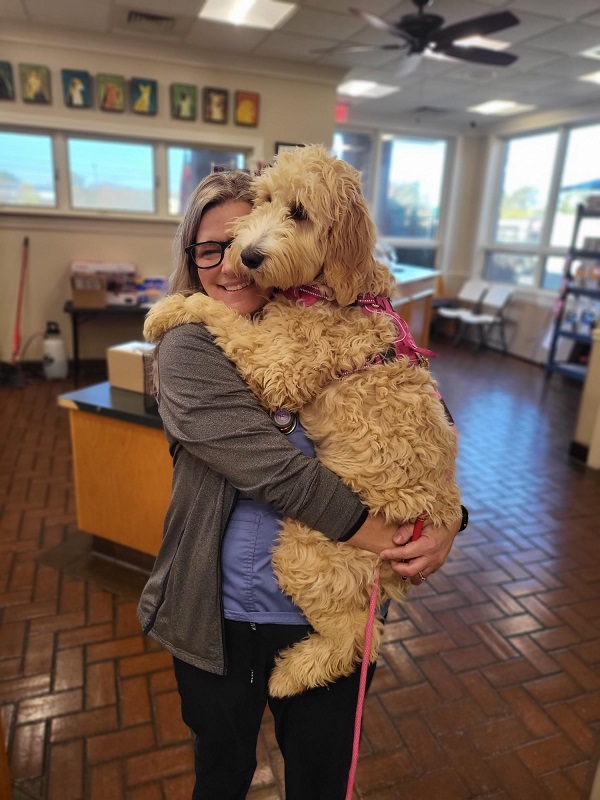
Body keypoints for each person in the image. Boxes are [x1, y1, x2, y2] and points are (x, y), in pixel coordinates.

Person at [137, 170, 465, 800]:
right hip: (219, 609)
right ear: (191, 258)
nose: (235, 262)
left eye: (245, 241)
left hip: (329, 611)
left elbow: (430, 419)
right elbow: (274, 470)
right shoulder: (187, 342)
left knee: (321, 779)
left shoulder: (350, 320)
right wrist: (385, 534)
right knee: (222, 773)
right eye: (212, 249)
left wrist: (446, 520)